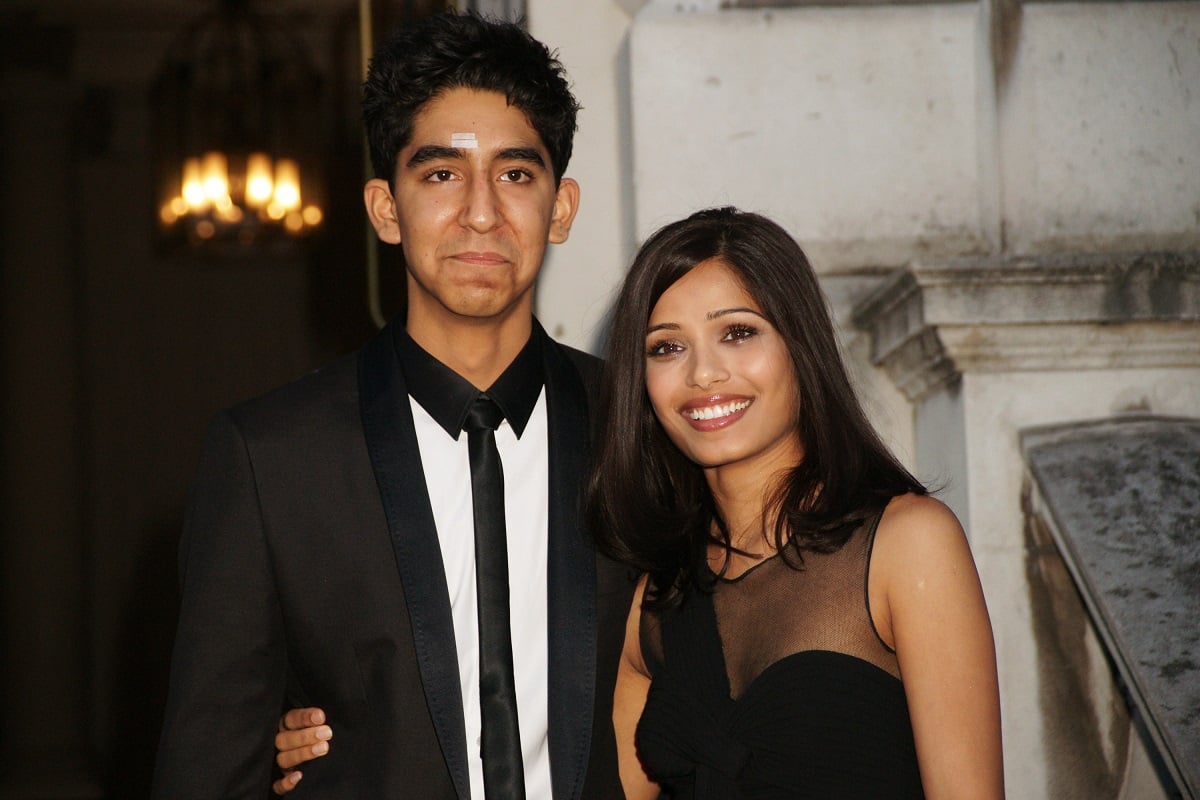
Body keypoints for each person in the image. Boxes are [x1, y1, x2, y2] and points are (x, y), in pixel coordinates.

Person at [278, 207, 1005, 798]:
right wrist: (323, 750)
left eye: (738, 333)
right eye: (666, 348)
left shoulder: (907, 543)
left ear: (801, 348)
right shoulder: (655, 593)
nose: (704, 374)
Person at [152, 11, 632, 800]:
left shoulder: (635, 425)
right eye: (440, 174)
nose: (482, 212)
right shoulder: (270, 457)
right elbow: (209, 763)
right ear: (384, 208)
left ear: (561, 208)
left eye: (516, 175)